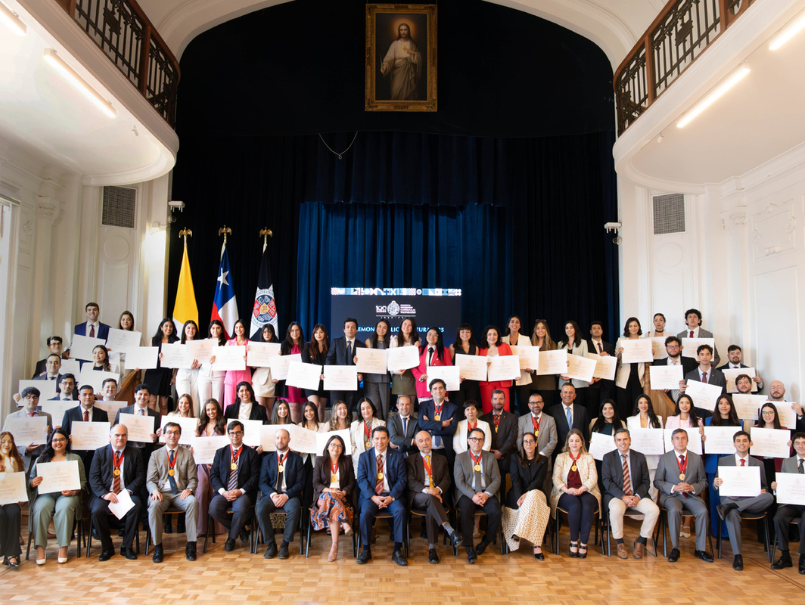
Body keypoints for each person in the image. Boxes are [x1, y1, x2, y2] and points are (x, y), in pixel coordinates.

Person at [712, 430, 774, 570]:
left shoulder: (758, 463)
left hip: (751, 502)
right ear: (734, 444)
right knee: (732, 513)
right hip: (730, 498)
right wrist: (716, 483)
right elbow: (716, 486)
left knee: (769, 496)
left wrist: (763, 490)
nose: (742, 443)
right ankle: (738, 556)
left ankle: (733, 506)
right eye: (738, 441)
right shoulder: (723, 461)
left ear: (750, 443)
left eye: (745, 440)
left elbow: (764, 486)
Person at [654, 428, 713, 563]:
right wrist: (673, 487)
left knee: (703, 511)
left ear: (687, 440)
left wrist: (692, 487)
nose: (680, 441)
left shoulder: (696, 458)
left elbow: (703, 482)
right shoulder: (665, 458)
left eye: (683, 438)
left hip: (691, 496)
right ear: (672, 441)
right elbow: (657, 482)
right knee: (675, 510)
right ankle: (675, 548)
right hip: (672, 496)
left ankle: (700, 549)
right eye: (677, 438)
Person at [28, 428, 86, 565]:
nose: (58, 442)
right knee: (40, 509)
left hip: (67, 495)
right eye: (54, 440)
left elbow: (83, 482)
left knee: (64, 508)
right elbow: (30, 479)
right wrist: (33, 483)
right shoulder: (41, 459)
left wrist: (73, 491)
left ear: (67, 441)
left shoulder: (75, 458)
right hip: (46, 494)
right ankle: (40, 548)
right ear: (50, 442)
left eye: (61, 439)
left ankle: (63, 547)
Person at [89, 424, 145, 560]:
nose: (120, 438)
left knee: (136, 506)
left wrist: (129, 491)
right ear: (110, 437)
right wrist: (105, 494)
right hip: (106, 493)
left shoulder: (136, 453)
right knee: (97, 511)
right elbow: (93, 477)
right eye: (117, 435)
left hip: (127, 492)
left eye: (123, 435)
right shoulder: (100, 452)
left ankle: (127, 546)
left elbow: (140, 476)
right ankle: (107, 547)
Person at [602, 428, 659, 559]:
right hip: (617, 496)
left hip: (637, 495)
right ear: (615, 442)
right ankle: (620, 543)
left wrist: (637, 496)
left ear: (630, 440)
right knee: (616, 509)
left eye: (625, 439)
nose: (622, 442)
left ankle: (640, 541)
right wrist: (623, 496)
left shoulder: (640, 457)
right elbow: (606, 481)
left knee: (654, 510)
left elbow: (646, 481)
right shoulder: (608, 457)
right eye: (619, 440)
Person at [146, 421, 199, 563]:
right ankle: (158, 547)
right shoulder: (155, 455)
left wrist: (189, 489)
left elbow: (193, 479)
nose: (172, 435)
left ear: (180, 435)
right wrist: (154, 491)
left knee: (193, 502)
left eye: (176, 433)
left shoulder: (187, 454)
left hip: (180, 493)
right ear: (163, 435)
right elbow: (150, 480)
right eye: (169, 432)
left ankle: (191, 545)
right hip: (161, 493)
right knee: (154, 506)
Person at [406, 430, 460, 563]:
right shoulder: (410, 460)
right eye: (421, 441)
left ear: (431, 441)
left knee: (431, 506)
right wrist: (428, 491)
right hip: (418, 495)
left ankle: (432, 549)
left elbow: (447, 479)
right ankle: (449, 529)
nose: (424, 443)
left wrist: (437, 490)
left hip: (435, 495)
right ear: (416, 443)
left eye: (427, 440)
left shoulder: (441, 459)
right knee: (431, 499)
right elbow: (411, 482)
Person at [356, 426, 408, 566]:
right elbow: (361, 479)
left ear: (389, 439)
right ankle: (366, 549)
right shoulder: (364, 456)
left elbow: (402, 480)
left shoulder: (397, 455)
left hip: (391, 495)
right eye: (377, 438)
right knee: (365, 513)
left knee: (400, 511)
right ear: (372, 440)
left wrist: (391, 497)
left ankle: (397, 550)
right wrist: (373, 497)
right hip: (371, 496)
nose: (380, 441)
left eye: (383, 438)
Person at [209, 420, 260, 551]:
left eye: (238, 433)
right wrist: (223, 492)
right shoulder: (220, 452)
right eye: (232, 433)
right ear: (228, 435)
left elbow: (255, 477)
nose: (235, 436)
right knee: (214, 509)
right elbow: (213, 475)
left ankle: (231, 538)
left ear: (243, 434)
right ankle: (240, 529)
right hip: (224, 492)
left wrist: (240, 491)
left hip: (243, 493)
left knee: (241, 509)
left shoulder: (251, 453)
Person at [454, 427, 502, 563]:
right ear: (468, 441)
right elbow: (459, 482)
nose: (477, 442)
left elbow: (497, 479)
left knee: (496, 511)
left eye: (480, 439)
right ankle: (469, 546)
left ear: (484, 442)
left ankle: (486, 540)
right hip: (467, 493)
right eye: (474, 439)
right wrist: (473, 495)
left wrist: (486, 494)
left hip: (486, 492)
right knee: (466, 510)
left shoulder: (490, 457)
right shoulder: (460, 457)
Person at [550, 429, 600, 558]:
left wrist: (581, 489)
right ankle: (573, 541)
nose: (574, 443)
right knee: (575, 506)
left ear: (582, 442)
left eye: (577, 440)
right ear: (567, 442)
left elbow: (593, 478)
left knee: (587, 506)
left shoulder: (588, 457)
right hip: (565, 491)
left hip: (587, 490)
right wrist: (566, 490)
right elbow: (555, 478)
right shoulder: (561, 457)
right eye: (571, 440)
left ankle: (583, 543)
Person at [256, 428, 304, 560]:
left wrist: (286, 495)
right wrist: (272, 494)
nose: (280, 440)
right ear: (274, 440)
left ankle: (285, 545)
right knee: (260, 510)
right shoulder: (267, 459)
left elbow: (300, 483)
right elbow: (262, 482)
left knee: (294, 509)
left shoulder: (297, 459)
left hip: (290, 495)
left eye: (283, 437)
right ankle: (271, 544)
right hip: (271, 495)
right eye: (277, 438)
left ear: (289, 440)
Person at [501, 431, 550, 558]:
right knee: (532, 502)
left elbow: (539, 481)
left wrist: (526, 495)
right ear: (522, 444)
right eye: (526, 441)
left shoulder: (543, 460)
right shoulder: (515, 458)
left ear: (536, 443)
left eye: (531, 441)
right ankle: (537, 546)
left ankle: (519, 532)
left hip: (537, 492)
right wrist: (520, 497)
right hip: (517, 493)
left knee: (533, 495)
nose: (528, 444)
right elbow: (515, 479)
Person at [702, 394, 743, 538]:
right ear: (717, 406)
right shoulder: (709, 421)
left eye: (727, 403)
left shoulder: (739, 423)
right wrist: (703, 440)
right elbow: (705, 445)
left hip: (732, 465)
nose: (724, 406)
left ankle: (728, 531)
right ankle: (717, 531)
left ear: (731, 406)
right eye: (721, 403)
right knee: (715, 500)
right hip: (714, 463)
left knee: (730, 499)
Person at [311, 435, 356, 562]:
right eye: (333, 445)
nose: (336, 448)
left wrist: (344, 492)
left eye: (339, 446)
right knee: (330, 497)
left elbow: (352, 482)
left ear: (342, 449)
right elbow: (316, 483)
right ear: (328, 447)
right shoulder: (320, 461)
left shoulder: (347, 461)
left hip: (341, 498)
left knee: (334, 506)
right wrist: (330, 490)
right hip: (323, 497)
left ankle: (334, 546)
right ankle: (344, 523)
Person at [771, 432, 805, 572]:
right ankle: (785, 556)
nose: (801, 446)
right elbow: (783, 485)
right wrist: (776, 488)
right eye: (797, 443)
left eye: (804, 443)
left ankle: (803, 558)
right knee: (779, 517)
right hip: (791, 503)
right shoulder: (787, 462)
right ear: (793, 445)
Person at [194, 399, 227, 538]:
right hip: (201, 465)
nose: (211, 412)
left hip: (217, 466)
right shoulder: (200, 426)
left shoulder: (223, 426)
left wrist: (216, 462)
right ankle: (201, 529)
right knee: (201, 491)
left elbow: (226, 447)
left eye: (213, 409)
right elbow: (195, 444)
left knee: (215, 492)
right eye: (208, 409)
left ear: (217, 409)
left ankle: (218, 528)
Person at [60, 384, 108, 473]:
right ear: (79, 397)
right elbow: (63, 434)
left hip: (96, 456)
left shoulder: (102, 414)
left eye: (90, 394)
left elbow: (105, 435)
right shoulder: (69, 413)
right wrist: (68, 438)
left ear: (94, 396)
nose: (88, 397)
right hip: (75, 455)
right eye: (84, 394)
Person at [517, 393, 559, 494]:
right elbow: (519, 440)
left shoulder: (550, 420)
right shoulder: (521, 420)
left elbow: (554, 440)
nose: (535, 405)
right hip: (527, 462)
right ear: (528, 405)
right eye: (532, 403)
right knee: (528, 493)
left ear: (543, 404)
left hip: (544, 462)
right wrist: (529, 455)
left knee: (545, 491)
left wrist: (540, 455)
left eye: (538, 402)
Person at [325, 318, 364, 419]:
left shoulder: (361, 345)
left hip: (352, 384)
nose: (350, 329)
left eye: (353, 327)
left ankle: (348, 429)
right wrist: (329, 374)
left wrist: (361, 374)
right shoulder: (336, 342)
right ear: (344, 330)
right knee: (336, 411)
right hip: (336, 383)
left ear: (356, 330)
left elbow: (363, 365)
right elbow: (329, 359)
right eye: (348, 327)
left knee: (348, 411)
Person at [626, 394, 663, 499]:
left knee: (653, 486)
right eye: (641, 403)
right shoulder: (630, 420)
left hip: (653, 457)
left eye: (646, 402)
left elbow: (661, 437)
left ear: (649, 404)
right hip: (637, 456)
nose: (643, 405)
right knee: (637, 484)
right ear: (637, 405)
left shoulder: (658, 419)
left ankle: (653, 507)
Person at [419, 379, 460, 471]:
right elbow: (422, 424)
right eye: (435, 388)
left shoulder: (453, 408)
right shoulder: (423, 406)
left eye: (441, 388)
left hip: (445, 451)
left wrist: (430, 426)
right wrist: (443, 424)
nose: (438, 391)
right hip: (428, 450)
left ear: (445, 390)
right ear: (431, 392)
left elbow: (452, 430)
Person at [8, 387, 53, 471]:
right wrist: (24, 449)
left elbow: (51, 440)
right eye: (28, 397)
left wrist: (48, 434)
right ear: (22, 399)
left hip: (41, 458)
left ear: (38, 399)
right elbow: (5, 440)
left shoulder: (47, 416)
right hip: (20, 458)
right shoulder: (12, 417)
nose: (32, 400)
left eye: (35, 397)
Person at [678, 344, 725, 419]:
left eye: (707, 354)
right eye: (702, 354)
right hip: (694, 414)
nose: (705, 357)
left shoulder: (720, 375)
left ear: (711, 356)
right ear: (698, 357)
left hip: (714, 415)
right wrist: (681, 392)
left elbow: (724, 396)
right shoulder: (689, 375)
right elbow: (685, 398)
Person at [143, 318, 178, 415]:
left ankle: (163, 424)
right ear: (161, 328)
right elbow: (148, 357)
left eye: (171, 326)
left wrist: (174, 376)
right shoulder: (153, 340)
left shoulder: (176, 341)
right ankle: (153, 423)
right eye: (166, 326)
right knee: (152, 402)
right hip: (152, 373)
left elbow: (178, 361)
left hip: (166, 374)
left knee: (163, 404)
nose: (168, 328)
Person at [589, 399, 626, 492]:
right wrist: (590, 442)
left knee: (612, 483)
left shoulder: (621, 423)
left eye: (610, 408)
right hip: (597, 459)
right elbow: (589, 436)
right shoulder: (594, 422)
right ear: (601, 410)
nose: (607, 411)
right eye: (605, 408)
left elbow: (625, 440)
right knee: (599, 483)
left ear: (614, 410)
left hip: (614, 459)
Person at [480, 389, 518, 479]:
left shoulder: (513, 418)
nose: (498, 401)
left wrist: (500, 452)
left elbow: (512, 436)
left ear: (505, 400)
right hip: (488, 458)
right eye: (495, 399)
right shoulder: (483, 418)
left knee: (504, 484)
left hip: (506, 458)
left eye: (501, 399)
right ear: (491, 400)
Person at [0, 432, 25, 568]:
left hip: (10, 498)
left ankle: (11, 554)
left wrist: (20, 496)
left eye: (10, 441)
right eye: (3, 441)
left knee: (14, 512)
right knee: (1, 515)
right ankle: (6, 552)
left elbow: (19, 481)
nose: (7, 444)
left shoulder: (16, 460)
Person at [379, 22, 422, 101]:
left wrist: (413, 53)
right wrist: (385, 66)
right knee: (396, 92)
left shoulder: (412, 43)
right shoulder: (395, 44)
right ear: (399, 31)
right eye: (401, 30)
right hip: (397, 71)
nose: (403, 32)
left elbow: (419, 57)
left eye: (405, 30)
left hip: (409, 71)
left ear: (408, 31)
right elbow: (389, 58)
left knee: (410, 93)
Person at [615, 317, 647, 420]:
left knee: (636, 403)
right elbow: (616, 359)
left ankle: (635, 424)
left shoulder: (643, 341)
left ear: (639, 327)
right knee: (624, 404)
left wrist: (650, 354)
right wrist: (620, 353)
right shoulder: (621, 340)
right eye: (630, 326)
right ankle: (624, 425)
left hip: (638, 376)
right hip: (624, 376)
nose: (633, 328)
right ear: (627, 328)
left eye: (635, 326)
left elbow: (647, 359)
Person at [297, 401, 328, 506]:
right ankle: (302, 514)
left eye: (311, 410)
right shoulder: (299, 426)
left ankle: (310, 514)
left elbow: (325, 446)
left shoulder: (322, 426)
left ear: (315, 411)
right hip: (302, 461)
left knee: (310, 491)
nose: (309, 413)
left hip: (316, 462)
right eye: (306, 411)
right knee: (302, 489)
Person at [547, 384, 590, 459]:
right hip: (559, 453)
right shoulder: (552, 411)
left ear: (575, 395)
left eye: (571, 392)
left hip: (579, 453)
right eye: (565, 392)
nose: (568, 395)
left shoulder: (582, 410)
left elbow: (585, 433)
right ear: (561, 395)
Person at [412, 326, 453, 403]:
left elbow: (449, 368)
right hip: (423, 387)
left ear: (438, 337)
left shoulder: (445, 351)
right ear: (426, 336)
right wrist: (419, 376)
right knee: (425, 410)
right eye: (429, 334)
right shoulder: (419, 350)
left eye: (435, 335)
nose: (431, 337)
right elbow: (414, 367)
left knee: (441, 410)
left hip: (439, 389)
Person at [502, 315, 534, 415]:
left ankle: (525, 424)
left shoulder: (526, 339)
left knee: (524, 403)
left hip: (523, 375)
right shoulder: (502, 340)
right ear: (508, 325)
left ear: (520, 326)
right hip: (507, 376)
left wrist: (530, 368)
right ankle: (510, 423)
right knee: (509, 403)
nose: (514, 324)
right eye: (512, 321)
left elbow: (530, 357)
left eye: (517, 322)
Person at [558, 320, 591, 416]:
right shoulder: (560, 344)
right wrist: (560, 375)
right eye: (566, 328)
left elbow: (586, 362)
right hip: (564, 381)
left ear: (575, 329)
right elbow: (557, 363)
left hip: (578, 382)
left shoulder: (583, 343)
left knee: (578, 409)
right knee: (565, 409)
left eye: (571, 327)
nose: (569, 330)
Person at [478, 325, 514, 414]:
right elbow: (478, 368)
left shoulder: (505, 346)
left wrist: (515, 374)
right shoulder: (480, 350)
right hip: (487, 383)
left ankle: (504, 424)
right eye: (489, 334)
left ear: (498, 336)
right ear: (486, 336)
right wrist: (483, 366)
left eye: (495, 334)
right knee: (488, 408)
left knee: (505, 408)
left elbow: (511, 363)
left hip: (502, 382)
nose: (492, 337)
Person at [652, 336, 697, 402]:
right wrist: (661, 387)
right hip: (666, 399)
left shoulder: (691, 362)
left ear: (680, 348)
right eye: (670, 346)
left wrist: (687, 381)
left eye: (675, 346)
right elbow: (656, 382)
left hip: (687, 398)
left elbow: (697, 378)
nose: (673, 348)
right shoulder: (658, 364)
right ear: (666, 348)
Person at [364, 320, 392, 421]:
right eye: (379, 326)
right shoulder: (369, 341)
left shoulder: (391, 342)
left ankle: (384, 427)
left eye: (384, 327)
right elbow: (365, 359)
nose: (381, 329)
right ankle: (376, 428)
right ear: (376, 327)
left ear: (387, 330)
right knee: (374, 406)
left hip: (384, 378)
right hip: (371, 379)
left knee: (385, 407)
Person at [350, 398, 386, 475]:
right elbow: (351, 445)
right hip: (360, 462)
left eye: (368, 407)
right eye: (363, 409)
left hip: (377, 462)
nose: (366, 411)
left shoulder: (381, 424)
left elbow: (384, 444)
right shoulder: (354, 425)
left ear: (372, 409)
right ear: (360, 411)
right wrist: (362, 458)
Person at [223, 319, 252, 410]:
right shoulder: (229, 343)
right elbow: (223, 360)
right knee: (229, 403)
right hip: (230, 377)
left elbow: (254, 365)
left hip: (244, 375)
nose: (238, 329)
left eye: (241, 327)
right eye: (236, 327)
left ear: (245, 328)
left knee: (244, 402)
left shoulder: (250, 343)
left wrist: (248, 360)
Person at [390, 317, 420, 404]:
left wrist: (417, 348)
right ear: (401, 326)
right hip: (400, 376)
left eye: (409, 325)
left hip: (413, 375)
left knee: (411, 405)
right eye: (405, 324)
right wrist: (394, 371)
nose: (406, 327)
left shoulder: (418, 341)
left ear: (413, 327)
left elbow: (420, 359)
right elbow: (391, 359)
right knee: (403, 405)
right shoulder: (395, 340)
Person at [587, 320, 615, 412]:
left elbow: (614, 364)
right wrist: (591, 378)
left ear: (602, 331)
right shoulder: (586, 345)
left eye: (599, 328)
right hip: (592, 383)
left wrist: (608, 356)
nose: (597, 330)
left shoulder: (609, 346)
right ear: (590, 331)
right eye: (594, 328)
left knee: (605, 409)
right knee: (592, 409)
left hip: (606, 383)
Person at [303, 324, 330, 420]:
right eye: (316, 332)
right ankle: (312, 427)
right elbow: (305, 365)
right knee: (314, 405)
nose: (318, 334)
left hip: (324, 382)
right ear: (313, 334)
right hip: (311, 382)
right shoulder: (307, 347)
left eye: (321, 332)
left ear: (325, 334)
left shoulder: (329, 347)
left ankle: (320, 427)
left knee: (321, 409)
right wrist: (317, 375)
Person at [251, 324, 280, 416]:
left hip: (272, 380)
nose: (267, 334)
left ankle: (269, 425)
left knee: (270, 409)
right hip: (259, 380)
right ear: (262, 334)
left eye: (269, 332)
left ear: (272, 333)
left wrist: (280, 357)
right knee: (260, 408)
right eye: (264, 332)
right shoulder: (256, 347)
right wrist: (250, 355)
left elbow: (280, 365)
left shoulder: (278, 347)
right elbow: (253, 366)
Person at [449, 323, 480, 407]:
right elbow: (449, 364)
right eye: (462, 332)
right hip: (458, 381)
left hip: (471, 381)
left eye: (467, 332)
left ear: (471, 333)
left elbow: (477, 364)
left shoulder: (475, 348)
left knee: (470, 405)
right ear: (458, 333)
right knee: (459, 405)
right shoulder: (453, 347)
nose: (465, 334)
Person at [198, 320, 227, 406]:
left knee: (217, 401)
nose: (215, 330)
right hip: (204, 374)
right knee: (204, 400)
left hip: (219, 375)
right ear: (210, 330)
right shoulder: (205, 341)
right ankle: (204, 415)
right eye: (213, 328)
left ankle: (218, 416)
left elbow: (227, 360)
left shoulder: (226, 343)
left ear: (221, 330)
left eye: (218, 328)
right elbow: (200, 358)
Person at [176, 320, 202, 414]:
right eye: (188, 328)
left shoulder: (200, 344)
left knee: (195, 400)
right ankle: (183, 421)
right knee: (184, 399)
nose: (191, 330)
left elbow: (203, 359)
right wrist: (163, 357)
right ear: (184, 330)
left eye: (193, 328)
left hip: (196, 373)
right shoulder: (177, 344)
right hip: (183, 373)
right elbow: (172, 361)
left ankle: (195, 420)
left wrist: (197, 365)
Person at [530, 320, 557, 408]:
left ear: (546, 330)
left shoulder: (552, 344)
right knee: (534, 409)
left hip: (547, 383)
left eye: (543, 328)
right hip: (532, 383)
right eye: (538, 328)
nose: (540, 330)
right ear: (535, 330)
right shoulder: (530, 344)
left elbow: (555, 362)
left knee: (546, 409)